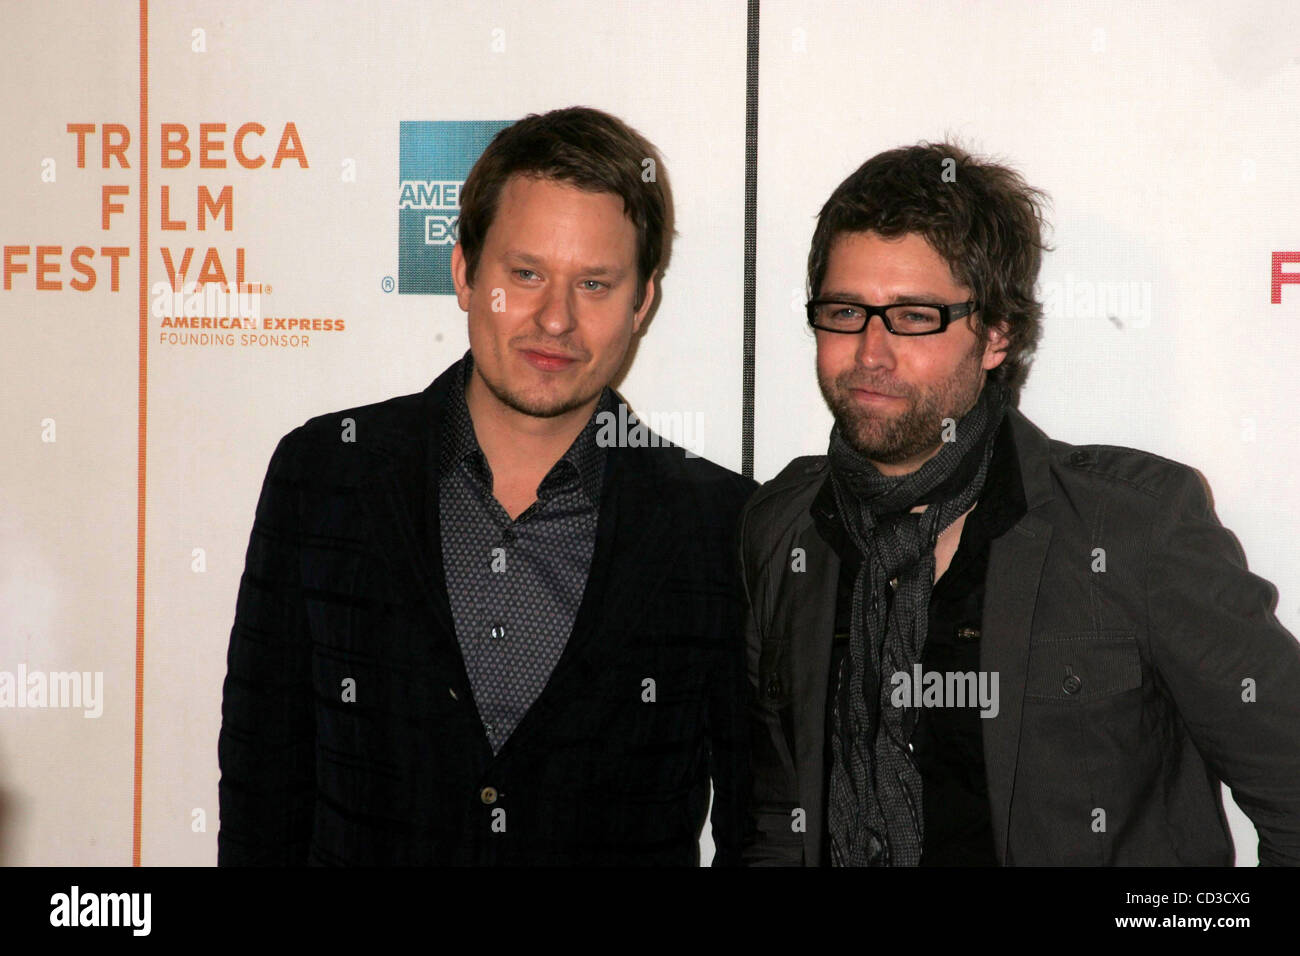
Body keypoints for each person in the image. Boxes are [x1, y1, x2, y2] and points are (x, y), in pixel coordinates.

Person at [218, 106, 755, 865]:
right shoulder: (325, 476)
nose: (556, 320)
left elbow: (755, 829)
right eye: (526, 274)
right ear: (466, 271)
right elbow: (261, 790)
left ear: (642, 303)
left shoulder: (721, 527)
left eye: (595, 284)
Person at [741, 142, 1300, 866]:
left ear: (997, 333)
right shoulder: (785, 529)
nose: (870, 353)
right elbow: (776, 824)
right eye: (846, 312)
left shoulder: (1132, 526)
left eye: (914, 317)